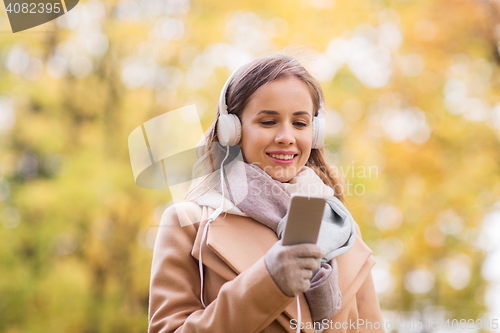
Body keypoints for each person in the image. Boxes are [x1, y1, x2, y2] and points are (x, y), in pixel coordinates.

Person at [147, 54, 384, 333]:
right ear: (232, 132)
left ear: (315, 133)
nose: (287, 136)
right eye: (268, 122)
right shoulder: (189, 223)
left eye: (299, 123)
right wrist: (267, 281)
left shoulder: (343, 228)